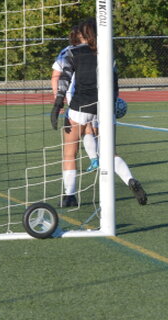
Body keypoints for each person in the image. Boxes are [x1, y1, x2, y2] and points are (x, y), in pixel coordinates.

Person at [51, 18, 147, 207]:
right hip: (105, 107)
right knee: (110, 153)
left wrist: (58, 102)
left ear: (82, 34)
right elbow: (115, 82)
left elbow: (64, 77)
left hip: (80, 106)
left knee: (70, 152)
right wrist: (113, 102)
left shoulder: (72, 52)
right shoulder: (108, 53)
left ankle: (69, 196)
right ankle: (130, 179)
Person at [50, 26, 99, 172]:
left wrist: (58, 99)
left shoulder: (68, 51)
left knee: (71, 144)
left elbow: (56, 76)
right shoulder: (99, 49)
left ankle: (75, 175)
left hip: (77, 96)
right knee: (91, 128)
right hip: (98, 96)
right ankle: (96, 159)